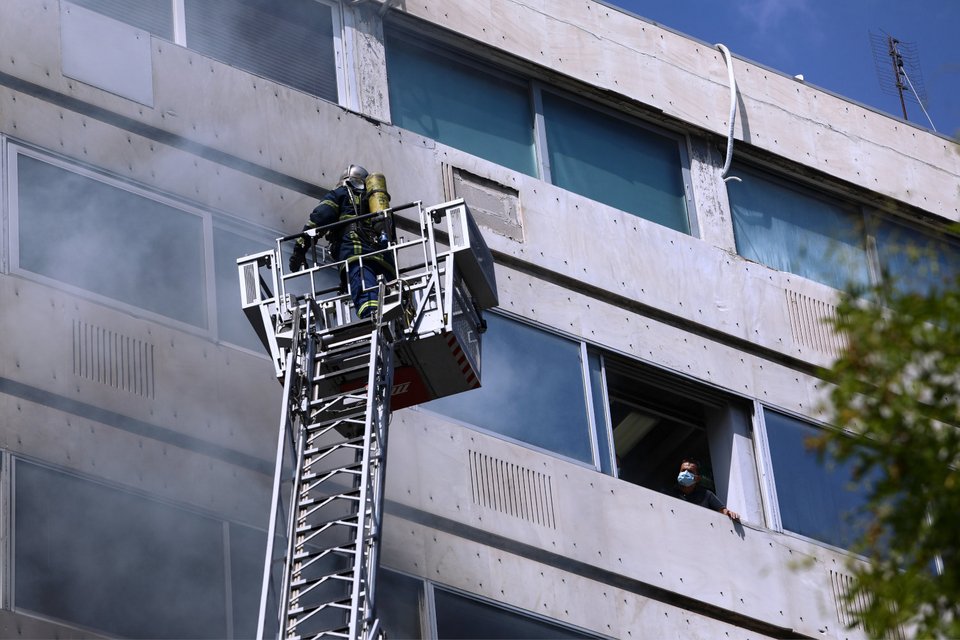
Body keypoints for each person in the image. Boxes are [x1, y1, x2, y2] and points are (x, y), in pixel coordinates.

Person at [289, 164, 395, 319]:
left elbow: (319, 220)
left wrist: (299, 248)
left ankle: (371, 320)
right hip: (386, 262)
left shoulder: (340, 194)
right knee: (390, 297)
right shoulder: (376, 203)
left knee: (367, 296)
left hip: (357, 256)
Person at [674, 458, 739, 521]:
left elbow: (723, 511)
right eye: (683, 470)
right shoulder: (670, 493)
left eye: (690, 471)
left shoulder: (706, 494)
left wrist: (729, 513)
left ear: (698, 478)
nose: (685, 473)